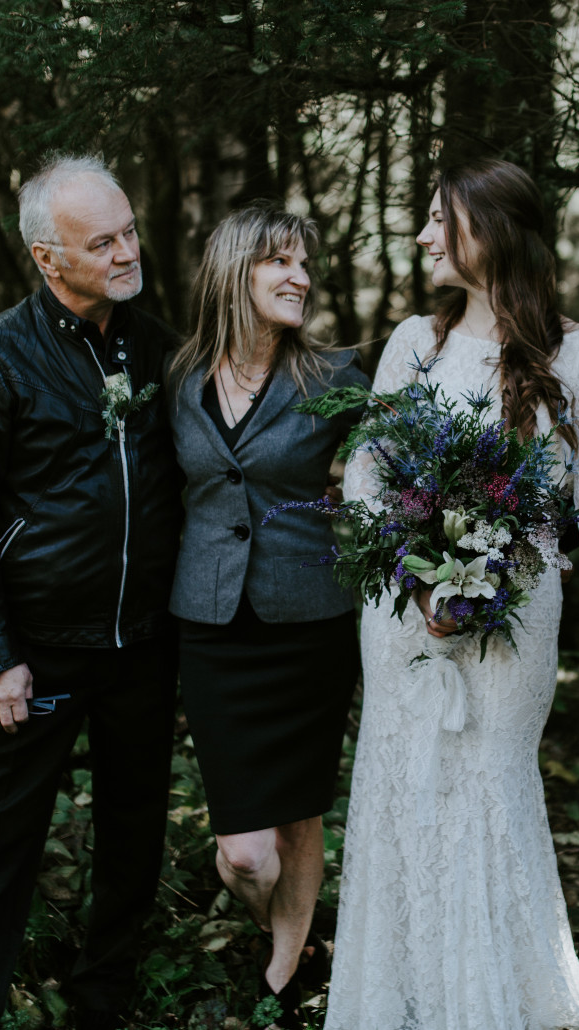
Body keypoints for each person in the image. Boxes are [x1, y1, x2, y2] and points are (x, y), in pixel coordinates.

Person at [325, 159, 579, 1030]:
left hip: (516, 620)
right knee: (403, 792)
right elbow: (364, 474)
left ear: (492, 230)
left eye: (439, 219)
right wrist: (415, 569)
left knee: (491, 791)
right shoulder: (411, 344)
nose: (424, 236)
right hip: (402, 619)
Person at [0, 155, 182, 1030]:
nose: (128, 252)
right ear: (46, 258)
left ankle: (103, 1005)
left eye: (130, 230)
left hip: (142, 645)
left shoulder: (154, 341)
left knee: (132, 846)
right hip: (36, 651)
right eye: (104, 242)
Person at [167, 205, 368, 1027]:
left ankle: (286, 970)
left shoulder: (338, 379)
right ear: (232, 273)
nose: (299, 278)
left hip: (309, 621)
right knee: (243, 852)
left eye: (304, 265)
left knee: (300, 811)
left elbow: (393, 484)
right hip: (212, 627)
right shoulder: (178, 381)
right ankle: (274, 921)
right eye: (277, 263)